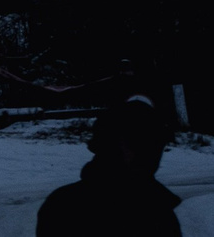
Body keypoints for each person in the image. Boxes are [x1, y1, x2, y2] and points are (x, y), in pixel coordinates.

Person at [35, 98, 181, 237]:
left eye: (155, 143)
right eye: (138, 142)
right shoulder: (65, 209)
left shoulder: (159, 211)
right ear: (110, 146)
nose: (149, 153)